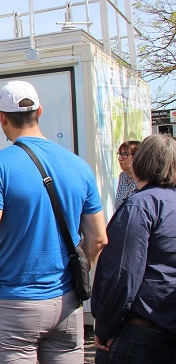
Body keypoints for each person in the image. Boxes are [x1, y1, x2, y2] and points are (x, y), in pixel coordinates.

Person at [0, 80, 107, 363]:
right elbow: (98, 238)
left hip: (13, 303)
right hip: (67, 302)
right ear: (40, 112)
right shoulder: (79, 165)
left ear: (2, 118)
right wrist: (76, 273)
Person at [92, 134, 176, 363]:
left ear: (140, 162)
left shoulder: (141, 205)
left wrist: (105, 327)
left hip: (140, 332)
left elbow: (123, 272)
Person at [114, 140, 141, 209]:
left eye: (125, 154)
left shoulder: (142, 178)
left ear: (136, 157)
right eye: (119, 154)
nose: (120, 158)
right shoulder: (123, 176)